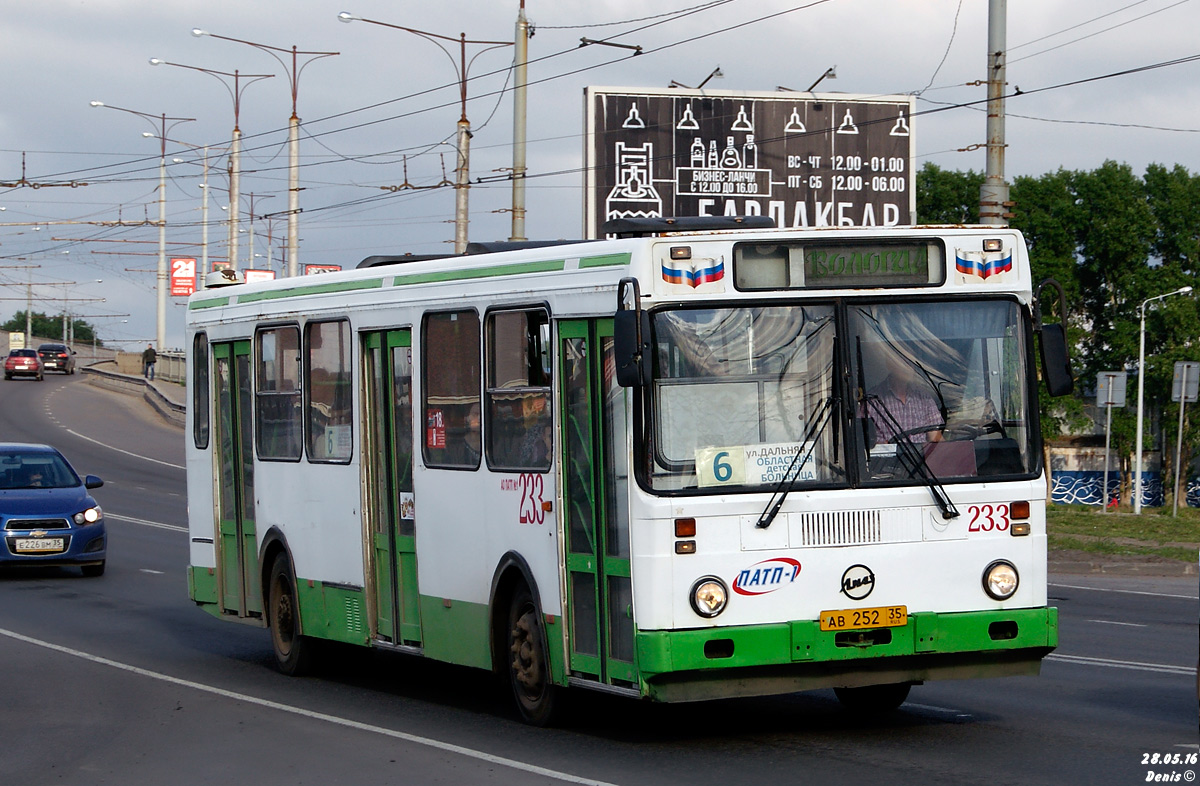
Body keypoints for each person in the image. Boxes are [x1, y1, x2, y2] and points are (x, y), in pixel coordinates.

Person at [863, 351, 943, 444]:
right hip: (888, 458)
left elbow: (935, 438)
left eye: (911, 363)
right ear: (890, 364)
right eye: (905, 362)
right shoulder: (871, 400)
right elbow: (864, 442)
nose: (909, 367)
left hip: (920, 457)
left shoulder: (924, 398)